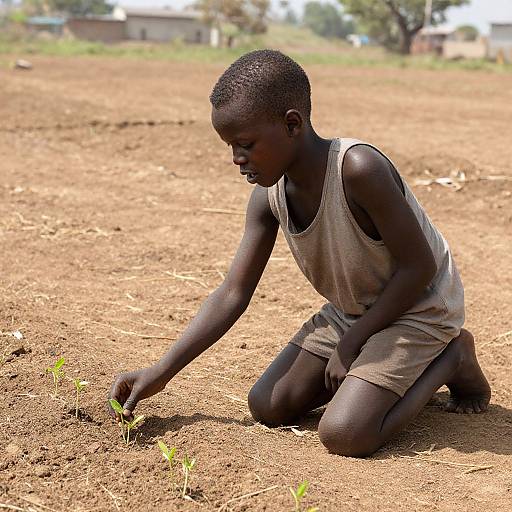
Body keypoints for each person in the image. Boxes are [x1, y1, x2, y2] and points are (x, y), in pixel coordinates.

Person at [109, 50, 491, 457]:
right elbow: (233, 293)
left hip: (419, 309)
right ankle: (385, 366)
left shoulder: (359, 169)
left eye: (246, 145)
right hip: (355, 310)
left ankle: (451, 358)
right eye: (230, 147)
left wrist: (353, 343)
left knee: (346, 434)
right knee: (268, 405)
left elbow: (419, 268)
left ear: (292, 124)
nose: (237, 160)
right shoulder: (267, 198)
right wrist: (161, 372)